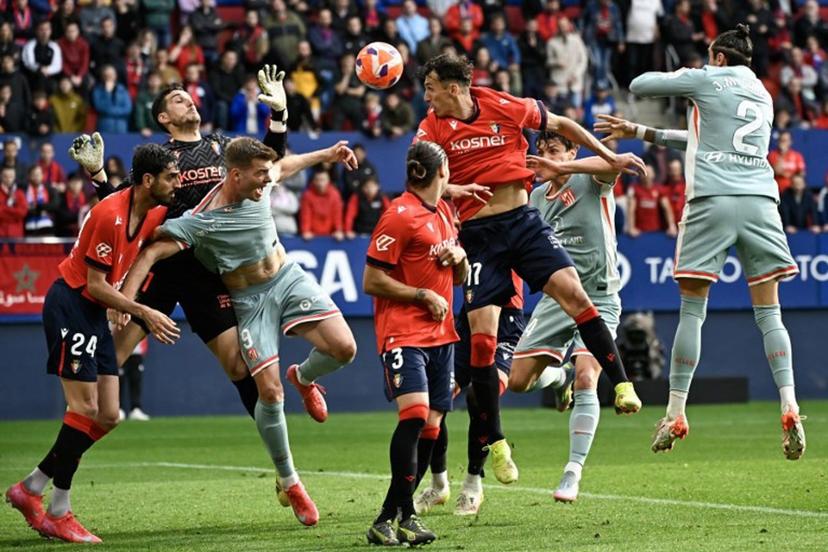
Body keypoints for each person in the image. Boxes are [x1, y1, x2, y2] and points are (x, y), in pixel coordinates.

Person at [93, 66, 357, 466]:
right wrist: (99, 178)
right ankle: (77, 427)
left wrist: (280, 116)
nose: (189, 100)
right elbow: (131, 202)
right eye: (178, 99)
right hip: (165, 267)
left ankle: (281, 466)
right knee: (115, 355)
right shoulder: (164, 157)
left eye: (189, 96)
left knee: (241, 366)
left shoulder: (223, 145)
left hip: (209, 275)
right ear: (163, 118)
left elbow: (270, 165)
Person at [414, 54, 643, 484]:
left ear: (454, 87)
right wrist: (456, 187)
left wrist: (608, 155)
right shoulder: (431, 128)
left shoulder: (503, 104)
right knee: (483, 346)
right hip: (479, 239)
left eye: (430, 86)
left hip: (521, 224)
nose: (426, 96)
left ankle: (622, 383)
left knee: (575, 292)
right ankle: (496, 442)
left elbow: (565, 126)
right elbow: (421, 179)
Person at [118, 136, 359, 527]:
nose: (268, 181)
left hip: (288, 278)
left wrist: (329, 154)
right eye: (260, 175)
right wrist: (125, 302)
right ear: (235, 175)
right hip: (250, 301)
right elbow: (149, 251)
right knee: (268, 391)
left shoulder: (261, 185)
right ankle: (291, 481)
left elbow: (287, 165)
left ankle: (305, 376)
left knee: (345, 349)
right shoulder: (199, 220)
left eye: (267, 174)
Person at [600, 24, 806, 459]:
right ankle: (789, 402)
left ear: (717, 56)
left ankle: (676, 410)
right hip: (761, 203)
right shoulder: (764, 95)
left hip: (711, 200)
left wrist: (691, 75)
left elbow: (639, 83)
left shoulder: (707, 76)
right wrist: (642, 132)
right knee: (770, 314)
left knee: (692, 312)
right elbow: (700, 140)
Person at [4, 139, 181, 544]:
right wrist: (144, 311)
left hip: (94, 312)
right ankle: (58, 510)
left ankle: (30, 487)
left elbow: (128, 209)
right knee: (83, 408)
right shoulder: (107, 215)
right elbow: (97, 286)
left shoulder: (150, 210)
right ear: (149, 179)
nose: (177, 182)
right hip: (71, 304)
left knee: (108, 414)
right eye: (170, 176)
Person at [509, 131, 631, 503]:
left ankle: (572, 471)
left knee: (587, 376)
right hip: (555, 298)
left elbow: (615, 162)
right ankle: (556, 375)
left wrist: (563, 165)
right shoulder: (533, 198)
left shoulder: (589, 179)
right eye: (540, 151)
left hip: (599, 296)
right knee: (517, 381)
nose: (543, 157)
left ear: (571, 151)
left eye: (553, 150)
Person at [363, 140, 468, 546]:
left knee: (432, 425)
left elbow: (457, 279)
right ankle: (400, 514)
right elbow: (371, 280)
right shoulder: (398, 215)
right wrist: (420, 295)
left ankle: (394, 516)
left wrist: (458, 259)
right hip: (404, 330)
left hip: (442, 335)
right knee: (415, 414)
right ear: (440, 172)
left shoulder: (443, 212)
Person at [415, 279, 527, 517]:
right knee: (437, 399)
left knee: (480, 396)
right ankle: (438, 485)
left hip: (505, 319)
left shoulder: (515, 241)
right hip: (470, 316)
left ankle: (473, 483)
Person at [118, 338, 151, 421]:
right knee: (119, 379)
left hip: (137, 350)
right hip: (120, 349)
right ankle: (118, 408)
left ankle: (135, 409)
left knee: (136, 379)